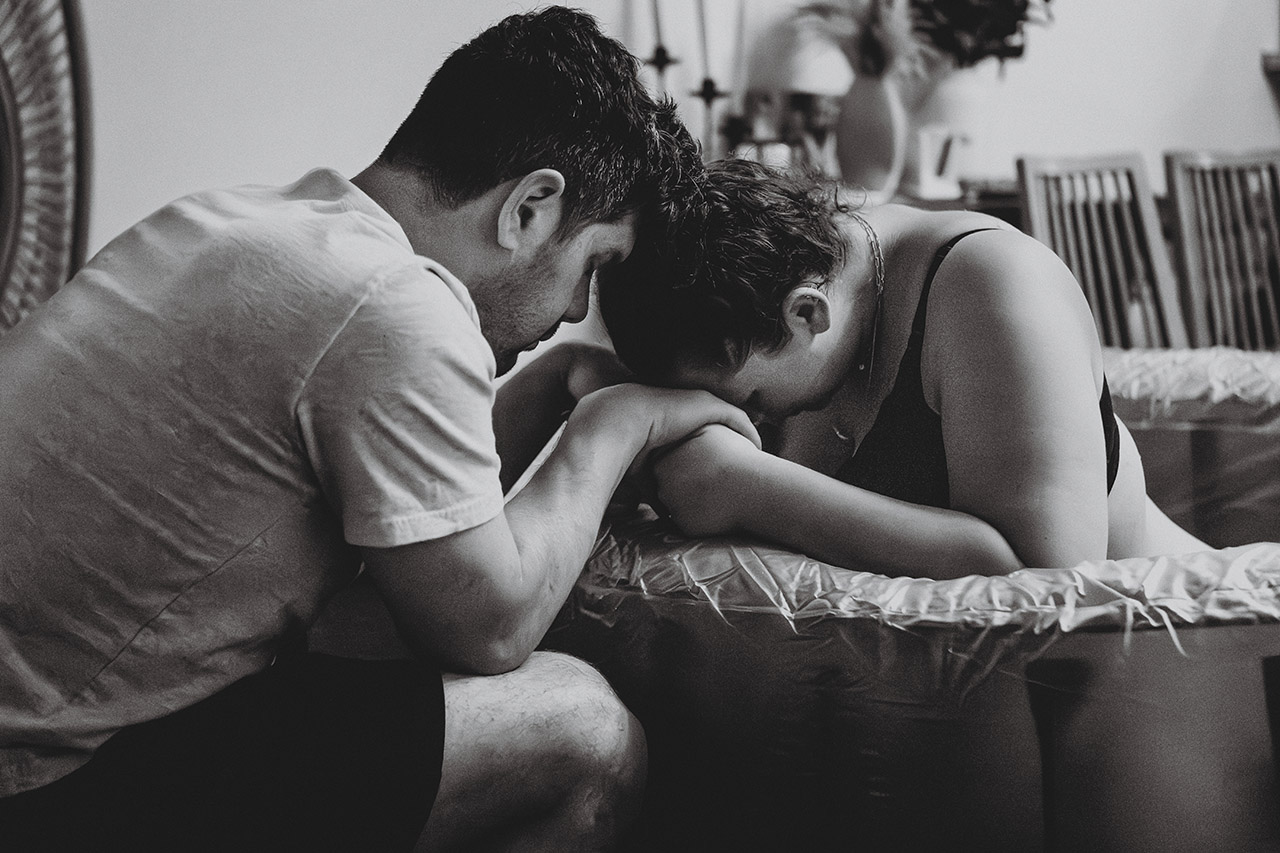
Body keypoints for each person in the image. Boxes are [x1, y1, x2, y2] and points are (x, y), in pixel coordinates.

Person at [0, 9, 758, 851]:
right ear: (532, 208)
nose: (578, 310)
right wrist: (620, 422)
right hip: (40, 781)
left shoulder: (240, 221)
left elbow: (404, 527)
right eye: (596, 266)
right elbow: (489, 625)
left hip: (34, 723)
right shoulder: (396, 304)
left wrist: (544, 388)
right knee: (583, 730)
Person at [598, 158, 1207, 579]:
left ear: (806, 315)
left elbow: (1052, 577)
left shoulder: (992, 285)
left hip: (1162, 672)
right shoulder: (782, 310)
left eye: (750, 399)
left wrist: (749, 489)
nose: (739, 421)